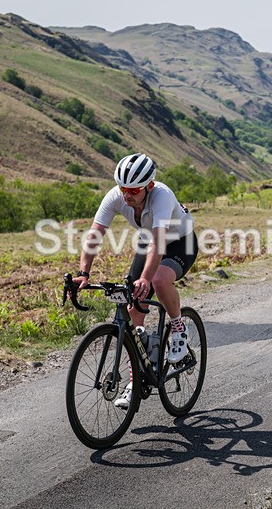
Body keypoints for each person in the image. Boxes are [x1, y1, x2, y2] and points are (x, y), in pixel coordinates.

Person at [71, 153, 197, 409]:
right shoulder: (115, 196)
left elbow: (160, 242)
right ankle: (137, 377)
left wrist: (145, 279)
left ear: (148, 186)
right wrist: (84, 273)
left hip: (180, 242)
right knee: (132, 304)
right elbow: (95, 234)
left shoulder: (162, 196)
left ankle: (178, 327)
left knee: (158, 281)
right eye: (123, 189)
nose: (127, 195)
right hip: (149, 241)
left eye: (133, 190)